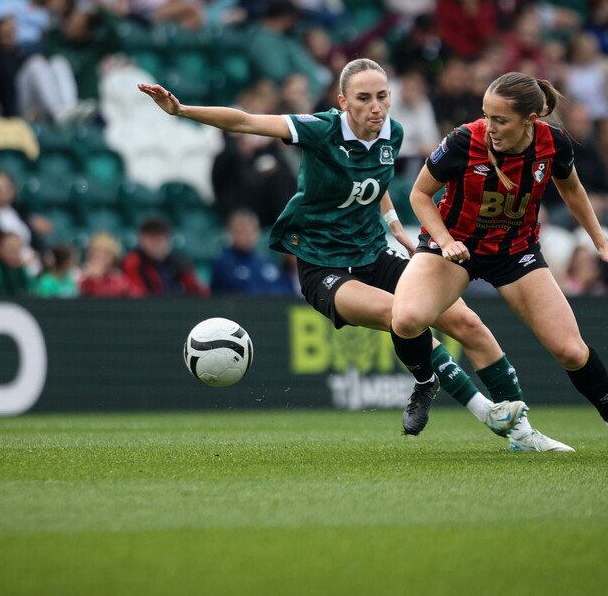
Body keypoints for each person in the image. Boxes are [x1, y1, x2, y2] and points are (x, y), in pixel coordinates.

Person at [139, 58, 572, 452]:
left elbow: (373, 181)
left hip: (372, 254)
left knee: (468, 323)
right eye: (363, 98)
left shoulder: (392, 134)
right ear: (343, 102)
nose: (375, 106)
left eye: (382, 96)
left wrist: (395, 224)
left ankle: (523, 432)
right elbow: (246, 120)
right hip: (323, 266)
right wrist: (182, 111)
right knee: (401, 315)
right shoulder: (320, 129)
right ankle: (475, 406)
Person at [389, 72, 608, 457]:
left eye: (500, 120)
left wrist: (602, 243)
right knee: (406, 319)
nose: (490, 127)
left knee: (571, 351)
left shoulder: (554, 143)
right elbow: (419, 194)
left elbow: (572, 188)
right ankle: (425, 381)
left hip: (516, 252)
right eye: (486, 116)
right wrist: (445, 241)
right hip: (455, 246)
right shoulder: (463, 140)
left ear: (530, 120)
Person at [210, 209, 294, 296]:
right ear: (230, 232)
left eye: (250, 230)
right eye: (240, 230)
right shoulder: (223, 264)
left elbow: (287, 292)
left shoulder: (269, 263)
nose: (246, 235)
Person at [121, 216, 209, 297]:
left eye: (159, 240)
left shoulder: (179, 260)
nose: (156, 245)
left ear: (168, 240)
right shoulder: (134, 262)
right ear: (142, 240)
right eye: (152, 240)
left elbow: (201, 291)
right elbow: (139, 296)